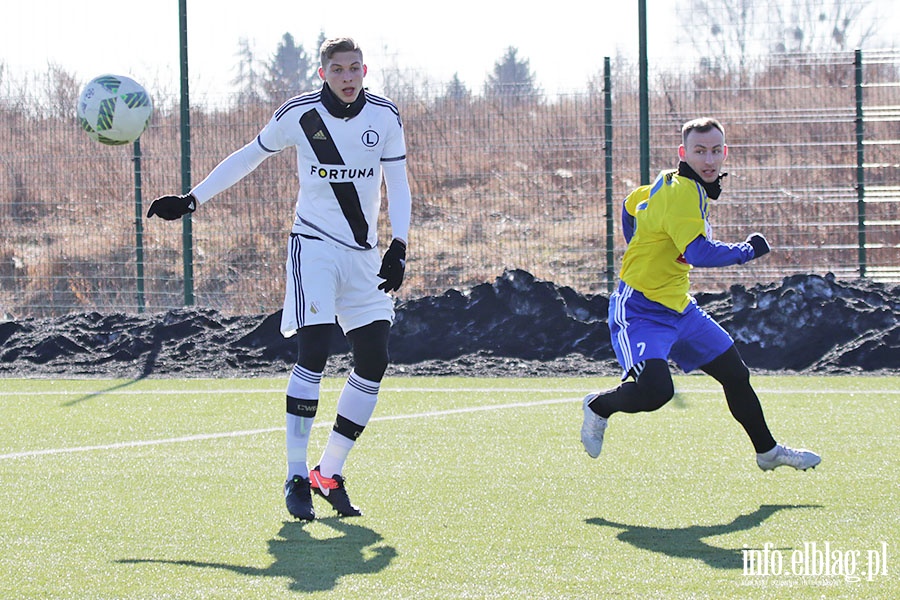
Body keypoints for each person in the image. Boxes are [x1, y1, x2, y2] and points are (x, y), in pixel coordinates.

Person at [147, 37, 412, 519]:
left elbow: (399, 183)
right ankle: (294, 474)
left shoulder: (385, 116)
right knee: (314, 349)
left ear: (365, 70)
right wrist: (192, 200)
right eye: (338, 69)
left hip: (364, 256)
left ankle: (328, 474)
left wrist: (399, 245)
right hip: (312, 247)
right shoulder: (300, 114)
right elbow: (248, 156)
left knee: (374, 358)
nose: (348, 77)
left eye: (355, 68)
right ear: (322, 73)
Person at [581, 117, 821, 472]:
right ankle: (599, 407)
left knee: (736, 375)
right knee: (657, 393)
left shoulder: (676, 184)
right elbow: (698, 253)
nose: (708, 160)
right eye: (699, 151)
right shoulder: (681, 194)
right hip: (640, 309)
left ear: (724, 153)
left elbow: (631, 205)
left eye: (714, 151)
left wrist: (640, 242)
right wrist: (747, 249)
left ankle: (768, 452)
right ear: (684, 153)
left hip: (681, 308)